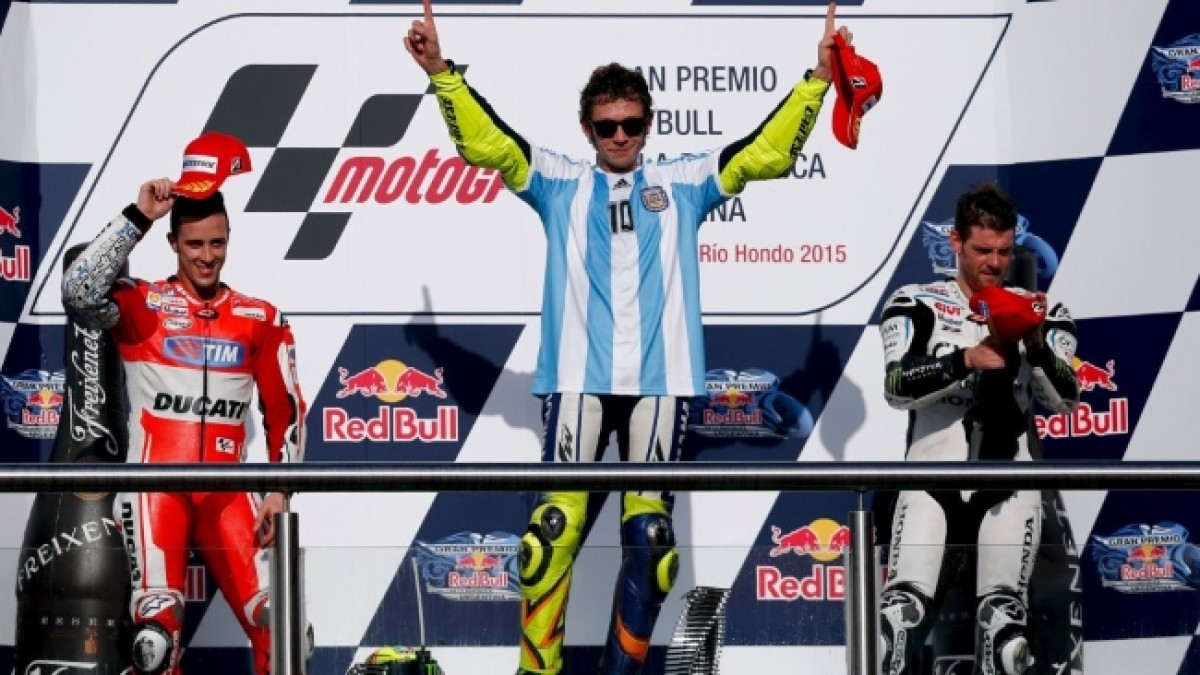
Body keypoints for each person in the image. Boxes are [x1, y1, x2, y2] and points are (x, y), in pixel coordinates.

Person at [404, 1, 852, 673]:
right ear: (585, 128)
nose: (620, 136)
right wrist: (442, 73)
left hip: (661, 384)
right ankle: (538, 671)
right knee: (550, 537)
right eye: (607, 125)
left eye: (632, 124)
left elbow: (764, 153)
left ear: (649, 124)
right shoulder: (559, 180)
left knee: (651, 543)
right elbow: (487, 143)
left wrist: (816, 81)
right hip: (577, 382)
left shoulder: (685, 181)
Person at [61, 132, 307, 675]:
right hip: (155, 490)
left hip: (229, 492)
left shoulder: (260, 318)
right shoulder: (142, 304)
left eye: (217, 243)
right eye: (195, 244)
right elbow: (78, 292)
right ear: (173, 242)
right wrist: (138, 217)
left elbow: (285, 409)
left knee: (283, 626)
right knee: (155, 640)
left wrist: (280, 489)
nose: (207, 256)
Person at [876, 183, 1080, 675]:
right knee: (899, 623)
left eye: (1004, 252)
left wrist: (1035, 345)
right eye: (983, 250)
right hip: (931, 479)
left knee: (1005, 631)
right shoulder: (916, 302)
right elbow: (896, 386)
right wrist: (964, 360)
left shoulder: (1043, 310)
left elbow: (1067, 400)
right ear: (956, 243)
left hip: (1009, 484)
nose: (994, 263)